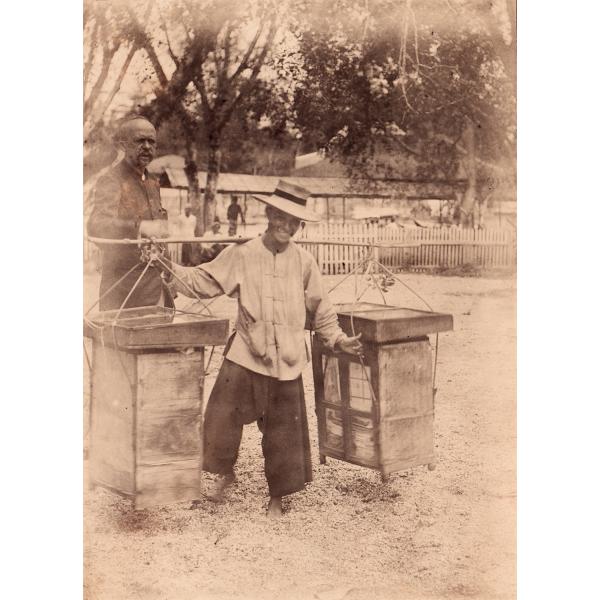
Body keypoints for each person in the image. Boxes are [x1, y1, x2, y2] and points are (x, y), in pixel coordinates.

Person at [155, 180, 362, 518]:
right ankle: (223, 473)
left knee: (285, 430)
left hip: (288, 359)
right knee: (221, 418)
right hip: (246, 353)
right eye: (281, 217)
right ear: (268, 213)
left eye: (295, 221)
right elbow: (204, 282)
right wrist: (167, 266)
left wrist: (338, 339)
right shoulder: (243, 254)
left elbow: (321, 309)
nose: (287, 226)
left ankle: (278, 497)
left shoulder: (305, 262)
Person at [87, 115, 171, 310]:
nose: (148, 147)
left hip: (154, 287)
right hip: (122, 292)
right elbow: (96, 226)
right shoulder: (112, 180)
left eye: (152, 142)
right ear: (124, 145)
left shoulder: (153, 183)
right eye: (140, 141)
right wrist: (140, 226)